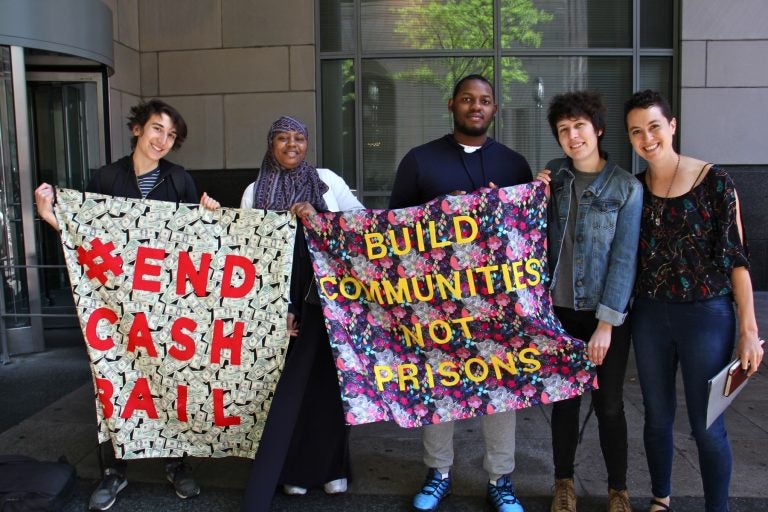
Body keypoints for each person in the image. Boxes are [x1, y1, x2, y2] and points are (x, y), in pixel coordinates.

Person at [35, 99, 220, 511]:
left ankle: (177, 462)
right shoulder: (106, 177)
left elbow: (199, 245)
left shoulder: (181, 180)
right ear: (137, 129)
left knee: (173, 379)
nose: (162, 140)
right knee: (115, 384)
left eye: (171, 135)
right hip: (116, 303)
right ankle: (115, 469)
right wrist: (50, 215)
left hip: (167, 303)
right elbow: (86, 234)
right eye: (157, 129)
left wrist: (210, 215)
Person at [389, 74, 532, 512]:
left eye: (485, 100)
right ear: (451, 104)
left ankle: (501, 478)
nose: (476, 106)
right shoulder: (419, 160)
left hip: (497, 302)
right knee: (438, 384)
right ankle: (439, 473)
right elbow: (394, 230)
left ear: (494, 109)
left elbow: (527, 235)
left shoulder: (514, 164)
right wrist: (437, 213)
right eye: (468, 99)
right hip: (436, 300)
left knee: (502, 387)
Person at [624, 90, 764, 512]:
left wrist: (749, 331)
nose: (647, 138)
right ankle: (661, 499)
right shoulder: (635, 190)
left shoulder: (714, 180)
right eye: (636, 131)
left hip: (707, 315)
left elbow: (736, 259)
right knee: (656, 418)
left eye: (653, 126)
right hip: (650, 314)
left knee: (708, 426)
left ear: (672, 126)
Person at [240, 115, 363, 512]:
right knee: (285, 392)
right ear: (270, 143)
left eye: (298, 138)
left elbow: (362, 227)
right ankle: (292, 472)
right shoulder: (254, 190)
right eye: (282, 138)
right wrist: (274, 310)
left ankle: (330, 469)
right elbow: (244, 257)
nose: (291, 145)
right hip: (280, 306)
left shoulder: (328, 182)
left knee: (328, 387)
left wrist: (321, 218)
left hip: (327, 304)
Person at [536, 91, 641, 512]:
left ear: (597, 129)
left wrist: (605, 324)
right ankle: (564, 484)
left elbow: (624, 258)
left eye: (579, 126)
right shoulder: (554, 178)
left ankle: (619, 489)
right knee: (563, 404)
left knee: (610, 405)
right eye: (563, 130)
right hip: (559, 313)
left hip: (604, 316)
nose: (572, 136)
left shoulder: (625, 186)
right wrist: (534, 196)